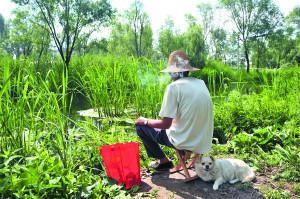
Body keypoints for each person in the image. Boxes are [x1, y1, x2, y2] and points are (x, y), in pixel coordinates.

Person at [135, 50, 213, 171]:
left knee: (141, 127)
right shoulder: (201, 83)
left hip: (184, 141)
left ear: (174, 72)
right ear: (187, 70)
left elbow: (166, 124)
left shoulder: (173, 87)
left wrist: (145, 121)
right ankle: (180, 155)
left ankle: (163, 160)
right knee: (164, 125)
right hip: (202, 141)